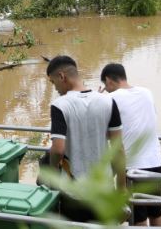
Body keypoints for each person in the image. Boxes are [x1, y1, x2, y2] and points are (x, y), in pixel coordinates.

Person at [47, 56, 126, 222]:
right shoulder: (108, 101)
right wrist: (121, 190)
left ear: (62, 76)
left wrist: (53, 179)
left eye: (53, 83)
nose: (55, 89)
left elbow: (58, 150)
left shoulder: (60, 105)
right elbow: (118, 149)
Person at [100, 63, 161, 227]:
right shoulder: (147, 93)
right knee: (156, 212)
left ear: (108, 81)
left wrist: (99, 99)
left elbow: (106, 133)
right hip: (155, 163)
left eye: (106, 87)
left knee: (138, 218)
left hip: (134, 168)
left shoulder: (111, 98)